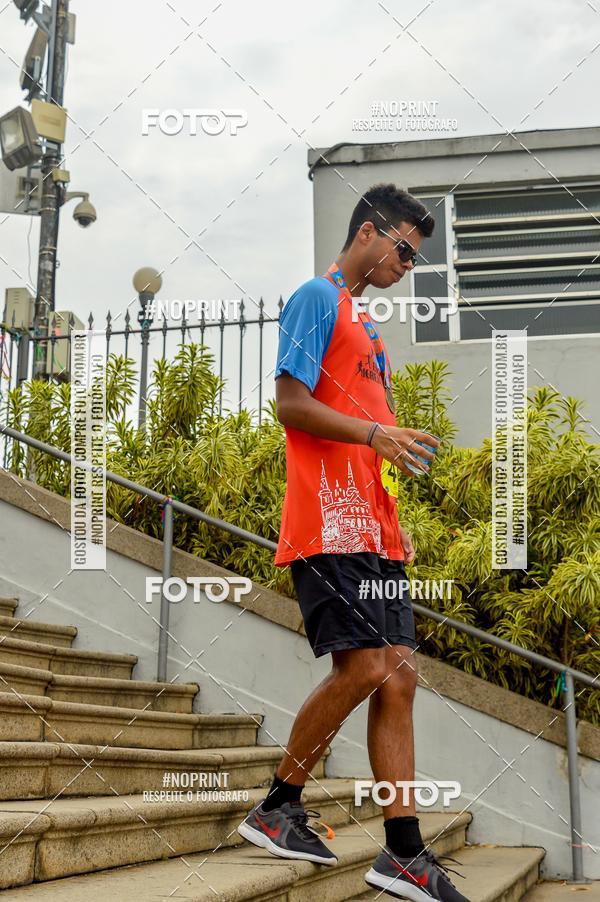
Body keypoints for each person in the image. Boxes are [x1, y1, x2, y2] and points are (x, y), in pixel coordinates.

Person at [238, 184, 469, 901]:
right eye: (404, 248)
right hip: (330, 522)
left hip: (374, 529)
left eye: (415, 256)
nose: (407, 264)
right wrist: (374, 433)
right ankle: (279, 806)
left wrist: (392, 507)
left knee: (398, 675)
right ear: (368, 232)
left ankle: (402, 852)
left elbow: (373, 437)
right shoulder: (317, 297)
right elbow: (290, 404)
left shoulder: (367, 329)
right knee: (366, 665)